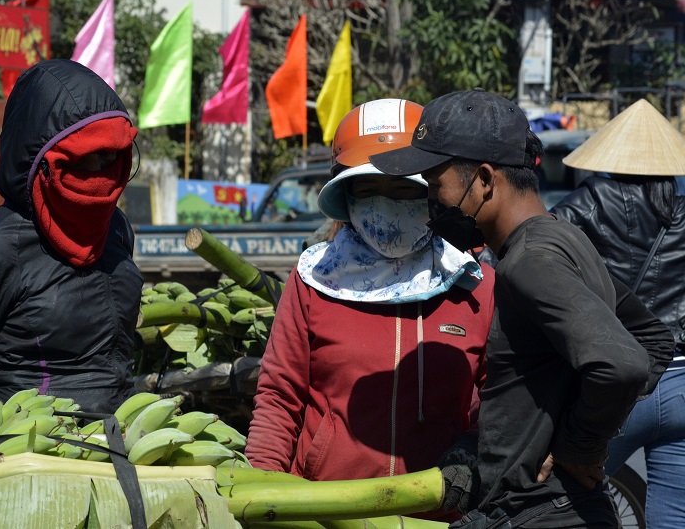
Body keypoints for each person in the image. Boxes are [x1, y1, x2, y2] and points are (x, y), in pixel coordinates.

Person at [370, 89, 675, 528]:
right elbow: (653, 337)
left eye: (436, 185)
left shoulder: (530, 262)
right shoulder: (561, 238)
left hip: (542, 514)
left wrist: (579, 446)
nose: (430, 201)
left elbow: (623, 362)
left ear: (485, 180)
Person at [246, 99, 496, 523]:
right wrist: (259, 492)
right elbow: (279, 396)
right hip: (324, 513)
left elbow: (500, 402)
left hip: (435, 516)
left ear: (431, 191)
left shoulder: (474, 285)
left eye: (402, 188)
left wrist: (472, 447)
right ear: (346, 196)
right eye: (369, 190)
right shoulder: (314, 280)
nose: (387, 203)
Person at [0, 59, 143, 414]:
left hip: (120, 441)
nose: (100, 172)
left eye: (110, 157)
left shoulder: (116, 229)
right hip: (28, 447)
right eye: (87, 159)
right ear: (41, 159)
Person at [551, 98, 685, 528]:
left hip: (621, 382)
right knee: (674, 516)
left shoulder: (590, 200)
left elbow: (533, 248)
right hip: (682, 382)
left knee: (560, 493)